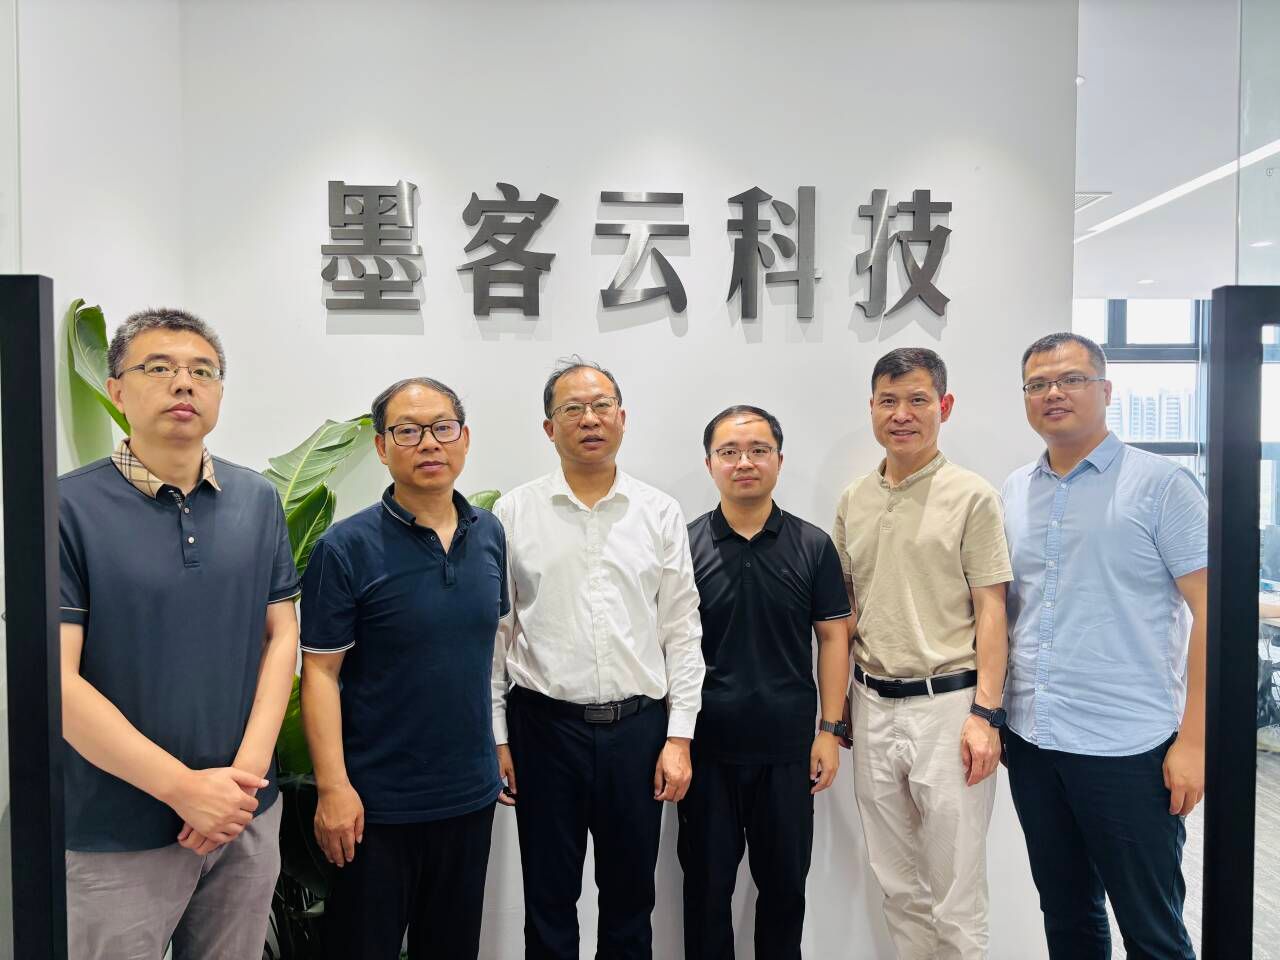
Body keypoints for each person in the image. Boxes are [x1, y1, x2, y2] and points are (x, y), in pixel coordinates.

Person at [58, 308, 299, 958]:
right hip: (116, 831)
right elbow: (56, 682)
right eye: (158, 368)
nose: (184, 383)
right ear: (116, 389)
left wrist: (242, 782)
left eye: (202, 371)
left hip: (245, 820)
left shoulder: (257, 499)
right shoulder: (64, 507)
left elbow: (281, 637)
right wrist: (185, 790)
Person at [491, 357, 705, 960]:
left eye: (601, 405)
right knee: (548, 899)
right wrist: (499, 738)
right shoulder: (513, 514)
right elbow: (498, 637)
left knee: (631, 902)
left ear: (622, 418)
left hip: (638, 732)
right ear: (549, 427)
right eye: (572, 409)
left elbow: (682, 632)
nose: (590, 419)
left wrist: (680, 738)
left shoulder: (658, 512)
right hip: (543, 731)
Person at [1002, 332, 1206, 959]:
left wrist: (1195, 741)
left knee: (1152, 930)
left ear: (1106, 390)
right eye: (1038, 384)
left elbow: (1215, 616)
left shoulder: (1163, 485)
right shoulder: (1014, 490)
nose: (1053, 394)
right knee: (1067, 917)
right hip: (1033, 742)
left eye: (1071, 379)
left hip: (1130, 749)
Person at [300, 377, 508, 960]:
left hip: (469, 797)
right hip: (374, 806)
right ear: (381, 446)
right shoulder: (344, 548)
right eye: (408, 431)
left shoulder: (489, 534)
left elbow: (486, 653)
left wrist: (497, 746)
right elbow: (320, 675)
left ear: (464, 439)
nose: (429, 443)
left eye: (442, 427)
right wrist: (333, 789)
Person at [831, 347, 1011, 960]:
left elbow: (992, 609)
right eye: (888, 401)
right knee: (897, 882)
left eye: (917, 400)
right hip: (871, 704)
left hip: (949, 707)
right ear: (872, 408)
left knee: (956, 889)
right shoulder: (854, 498)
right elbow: (845, 611)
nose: (901, 414)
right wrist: (839, 702)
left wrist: (986, 714)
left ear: (944, 406)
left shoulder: (973, 496)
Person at [680, 404, 851, 959]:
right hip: (705, 752)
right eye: (729, 452)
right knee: (705, 893)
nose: (744, 462)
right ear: (710, 464)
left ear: (779, 459)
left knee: (784, 892)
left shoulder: (812, 545)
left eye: (759, 450)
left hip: (788, 751)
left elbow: (834, 637)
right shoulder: (683, 545)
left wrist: (829, 729)